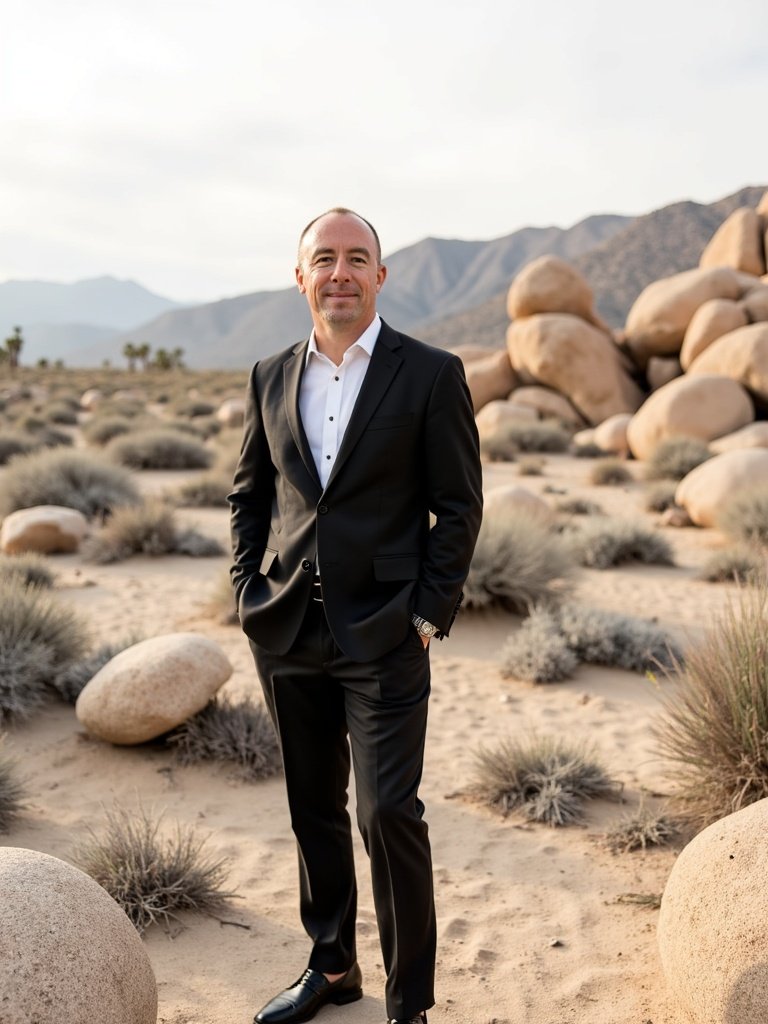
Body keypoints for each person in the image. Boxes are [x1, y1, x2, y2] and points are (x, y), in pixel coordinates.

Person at [228, 207, 483, 1024]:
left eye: (356, 258)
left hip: (387, 632)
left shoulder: (431, 373)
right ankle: (332, 967)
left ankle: (409, 1005)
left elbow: (459, 506)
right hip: (289, 629)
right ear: (300, 277)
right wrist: (246, 587)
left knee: (386, 814)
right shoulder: (269, 373)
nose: (340, 272)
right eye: (324, 259)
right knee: (312, 805)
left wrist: (428, 617)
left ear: (380, 275)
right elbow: (250, 494)